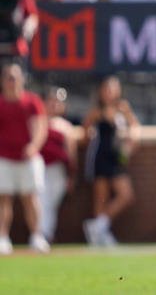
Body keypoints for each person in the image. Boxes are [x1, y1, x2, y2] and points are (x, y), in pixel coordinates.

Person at [82, 76, 140, 246]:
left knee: (126, 195)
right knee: (101, 197)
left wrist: (129, 145)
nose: (109, 92)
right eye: (106, 89)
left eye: (112, 88)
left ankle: (98, 226)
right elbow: (85, 131)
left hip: (117, 158)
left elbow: (135, 127)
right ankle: (100, 237)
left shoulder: (123, 108)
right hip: (99, 156)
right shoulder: (96, 111)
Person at [0, 63, 49, 254]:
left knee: (30, 198)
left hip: (28, 159)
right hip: (4, 158)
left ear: (21, 80)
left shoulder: (32, 102)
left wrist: (34, 146)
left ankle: (37, 236)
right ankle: (3, 238)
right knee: (4, 198)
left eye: (15, 77)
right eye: (8, 78)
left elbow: (40, 127)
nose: (12, 82)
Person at [39, 86, 77, 242]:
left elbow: (71, 155)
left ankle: (45, 235)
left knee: (51, 204)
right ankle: (42, 235)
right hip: (39, 168)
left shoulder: (65, 126)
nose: (54, 104)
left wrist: (71, 177)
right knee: (41, 201)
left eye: (58, 101)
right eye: (51, 100)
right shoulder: (37, 121)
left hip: (57, 170)